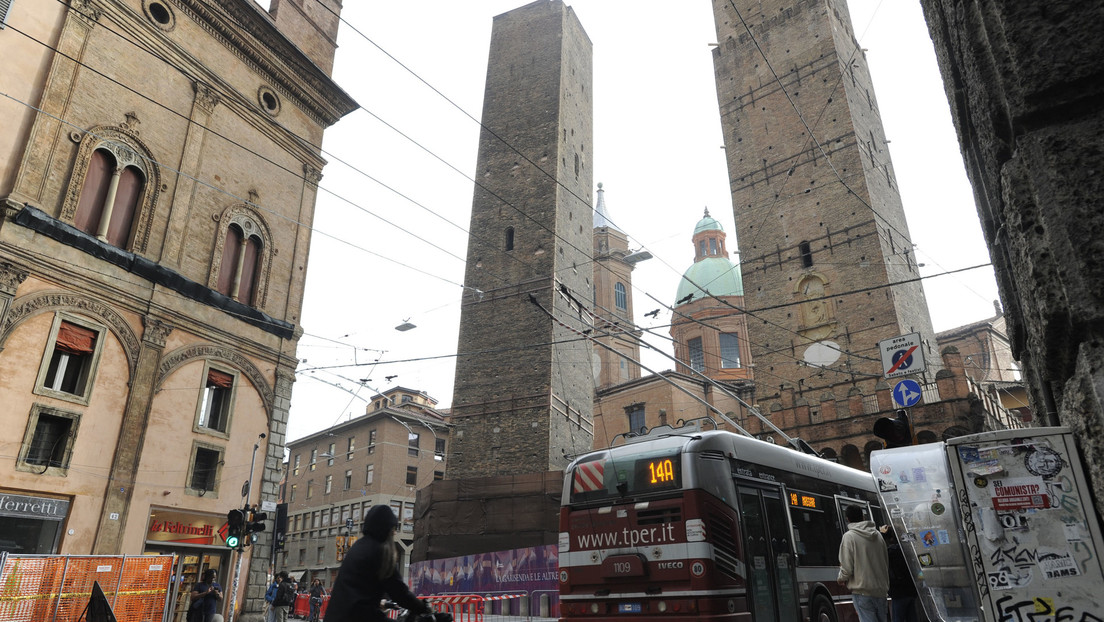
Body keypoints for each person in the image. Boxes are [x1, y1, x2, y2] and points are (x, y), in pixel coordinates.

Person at [324, 505, 432, 622]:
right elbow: (399, 591)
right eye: (393, 529)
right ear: (386, 530)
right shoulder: (380, 551)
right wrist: (422, 607)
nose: (394, 533)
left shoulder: (358, 546)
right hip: (358, 616)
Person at [838, 505, 889, 622]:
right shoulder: (878, 536)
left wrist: (841, 578)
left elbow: (846, 566)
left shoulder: (849, 537)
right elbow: (885, 561)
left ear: (847, 519)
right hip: (881, 591)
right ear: (863, 517)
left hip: (862, 592)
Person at [881, 525, 921, 622]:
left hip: (898, 592)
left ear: (890, 538)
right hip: (911, 591)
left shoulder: (890, 552)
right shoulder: (909, 550)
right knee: (912, 617)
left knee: (897, 618)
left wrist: (882, 534)